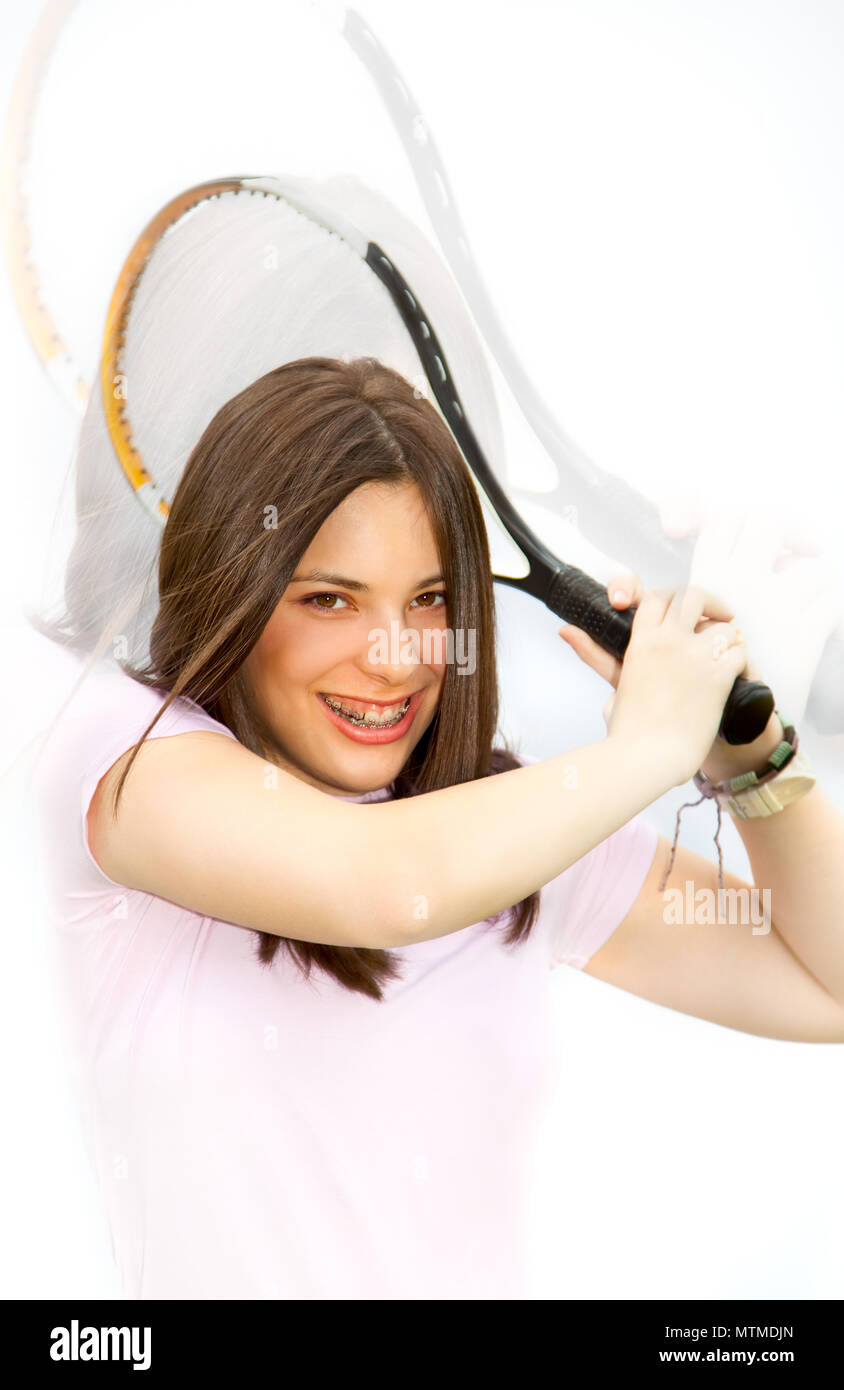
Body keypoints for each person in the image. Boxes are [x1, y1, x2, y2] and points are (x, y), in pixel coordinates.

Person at [29, 355, 844, 1300]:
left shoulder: (512, 837)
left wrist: (745, 752)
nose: (397, 658)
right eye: (328, 598)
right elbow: (380, 886)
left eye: (431, 599)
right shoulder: (119, 754)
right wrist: (650, 744)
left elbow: (827, 983)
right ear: (233, 591)